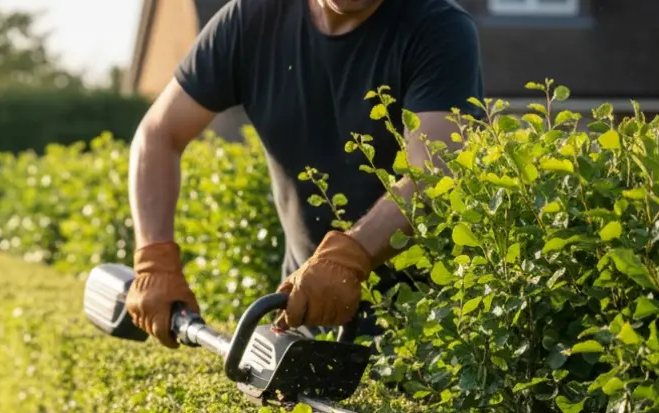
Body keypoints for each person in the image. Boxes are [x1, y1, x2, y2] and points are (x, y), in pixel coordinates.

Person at [124, 0, 485, 348]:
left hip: (434, 336)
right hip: (304, 325)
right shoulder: (251, 20)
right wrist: (154, 258)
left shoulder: (438, 28)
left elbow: (435, 176)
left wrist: (351, 255)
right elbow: (159, 134)